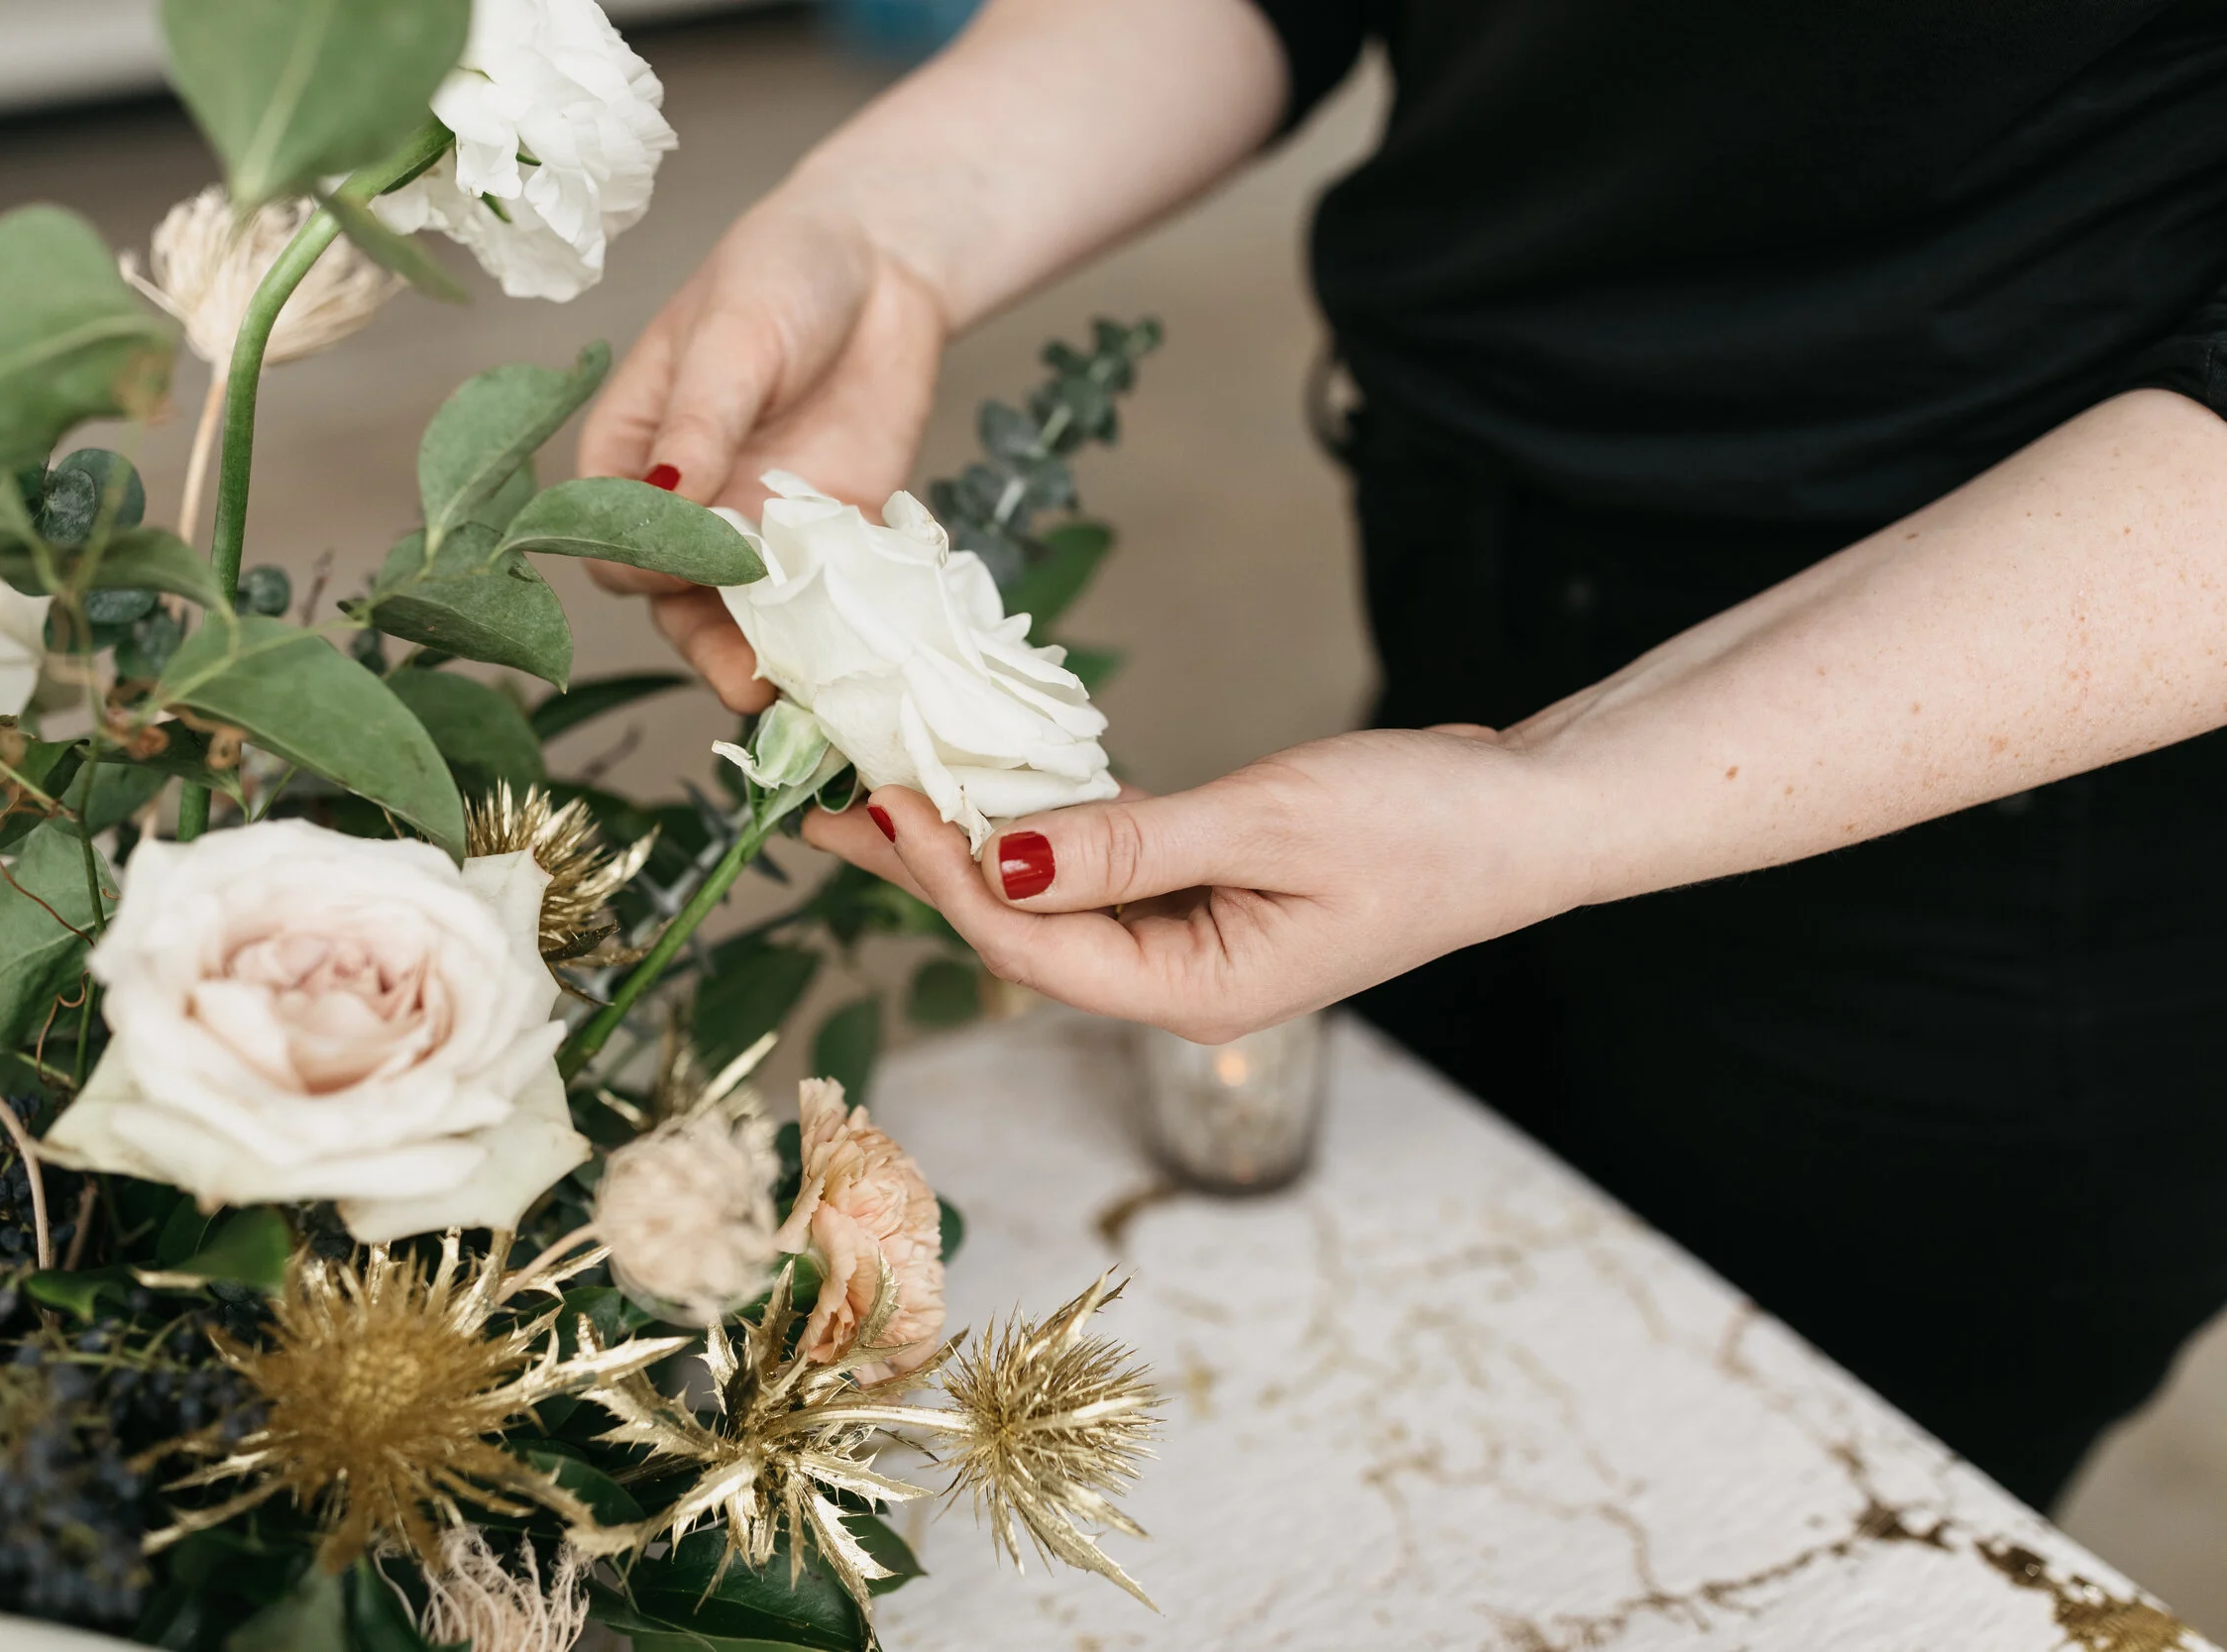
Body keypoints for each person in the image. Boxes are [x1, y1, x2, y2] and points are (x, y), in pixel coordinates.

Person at [576, 0, 2227, 1510]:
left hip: (2007, 803)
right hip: (1474, 598)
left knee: (1764, 1526)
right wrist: (888, 232)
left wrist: (1567, 796)